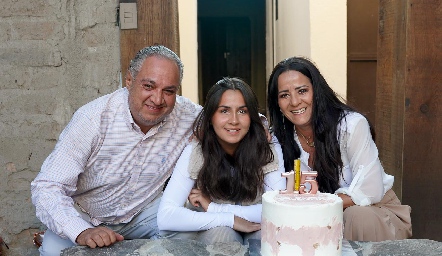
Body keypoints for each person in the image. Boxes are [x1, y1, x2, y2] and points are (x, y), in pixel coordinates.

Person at [30, 45, 203, 255]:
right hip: (86, 216)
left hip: (144, 214)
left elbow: (235, 121)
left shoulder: (188, 116)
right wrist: (81, 231)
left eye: (169, 91)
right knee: (53, 253)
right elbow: (47, 186)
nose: (158, 99)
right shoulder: (92, 119)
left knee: (189, 233)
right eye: (149, 86)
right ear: (129, 80)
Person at [267, 56, 412, 242]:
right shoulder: (280, 139)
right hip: (321, 220)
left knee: (355, 216)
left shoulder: (350, 125)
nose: (294, 102)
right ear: (277, 103)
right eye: (284, 95)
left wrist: (315, 204)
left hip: (375, 213)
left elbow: (371, 189)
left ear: (316, 91)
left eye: (302, 91)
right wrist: (261, 123)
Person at [157, 77, 286, 245]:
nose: (234, 120)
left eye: (242, 111)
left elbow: (278, 209)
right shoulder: (197, 151)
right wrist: (229, 220)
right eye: (224, 111)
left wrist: (213, 208)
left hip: (256, 225)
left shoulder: (266, 146)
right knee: (223, 236)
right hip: (216, 230)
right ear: (211, 116)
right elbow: (166, 216)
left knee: (265, 236)